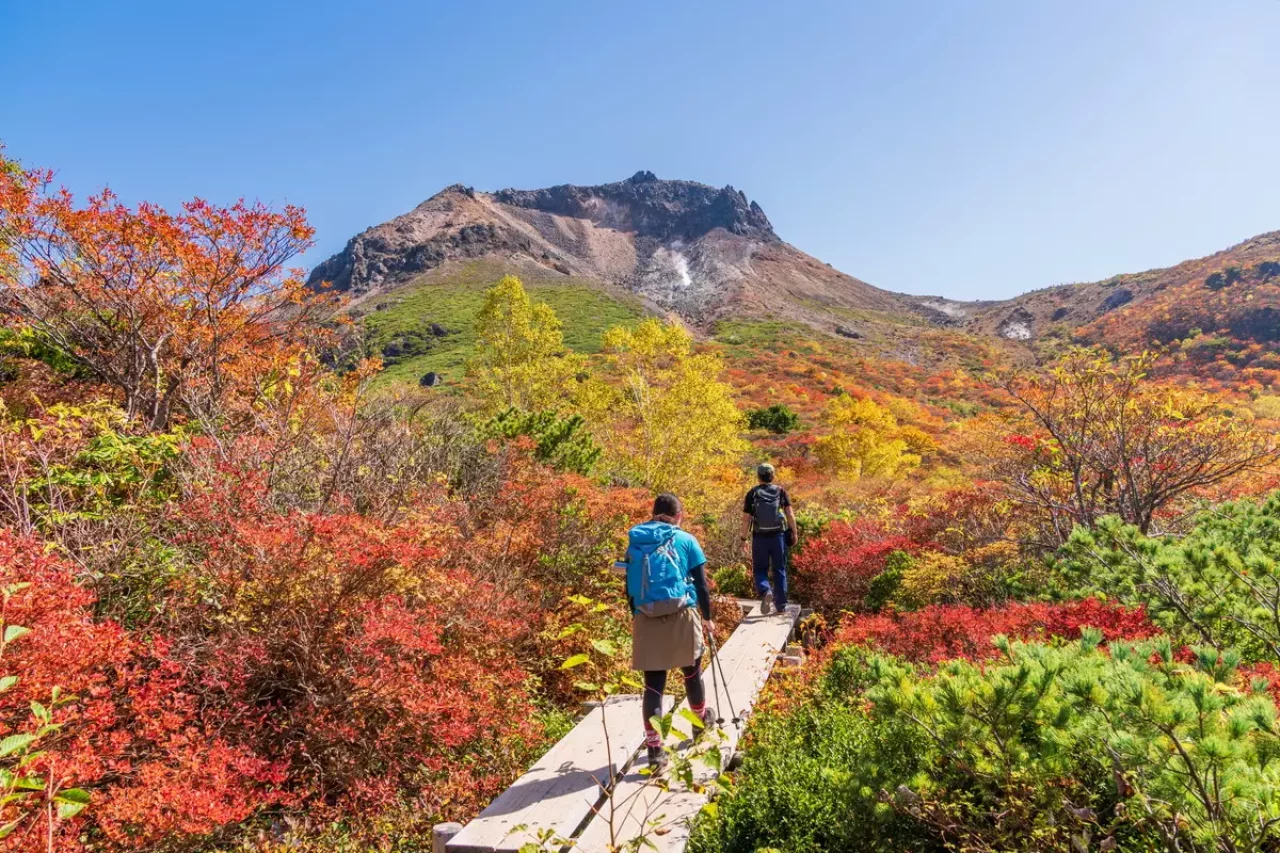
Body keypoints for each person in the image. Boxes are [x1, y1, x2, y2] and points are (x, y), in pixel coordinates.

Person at [618, 493, 716, 771]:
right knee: (692, 673)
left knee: (653, 686)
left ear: (653, 513)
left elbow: (629, 585)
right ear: (679, 515)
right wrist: (707, 619)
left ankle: (655, 752)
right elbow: (701, 585)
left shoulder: (637, 541)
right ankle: (699, 726)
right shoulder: (686, 540)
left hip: (645, 616)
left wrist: (636, 615)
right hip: (682, 613)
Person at [740, 463, 797, 615]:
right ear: (773, 476)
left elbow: (746, 519)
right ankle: (781, 606)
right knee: (779, 569)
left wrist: (743, 539)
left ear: (758, 476)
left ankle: (766, 591)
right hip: (778, 536)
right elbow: (790, 514)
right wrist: (794, 532)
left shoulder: (752, 493)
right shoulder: (780, 491)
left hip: (759, 538)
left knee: (759, 569)